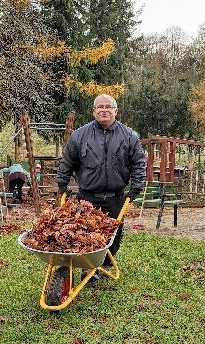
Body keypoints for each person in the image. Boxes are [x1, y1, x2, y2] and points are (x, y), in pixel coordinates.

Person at [56, 94, 146, 281]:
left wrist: (136, 186)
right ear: (93, 111)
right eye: (100, 107)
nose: (104, 110)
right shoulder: (80, 135)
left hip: (116, 196)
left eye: (108, 107)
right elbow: (67, 161)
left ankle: (104, 263)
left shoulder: (129, 135)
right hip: (88, 196)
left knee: (113, 233)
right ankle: (88, 267)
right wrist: (62, 184)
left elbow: (138, 162)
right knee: (86, 233)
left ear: (115, 111)